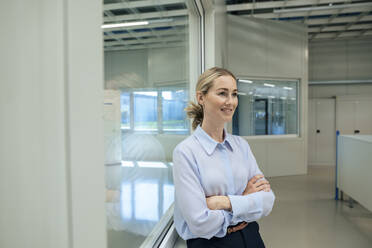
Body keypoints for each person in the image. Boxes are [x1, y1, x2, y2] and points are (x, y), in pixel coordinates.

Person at [172, 67, 275, 248]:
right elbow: (199, 222)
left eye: (234, 94)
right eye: (222, 93)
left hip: (251, 236)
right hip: (211, 244)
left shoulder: (241, 146)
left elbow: (267, 201)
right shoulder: (186, 152)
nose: (230, 101)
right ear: (201, 97)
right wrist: (245, 200)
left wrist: (223, 202)